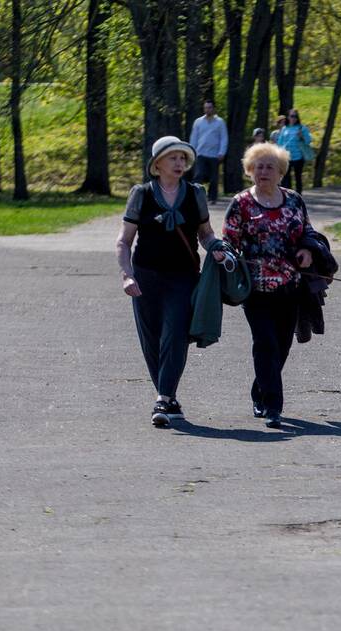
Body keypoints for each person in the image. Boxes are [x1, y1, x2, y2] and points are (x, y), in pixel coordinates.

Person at [116, 136, 226, 428]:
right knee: (151, 340)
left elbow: (206, 233)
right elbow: (124, 242)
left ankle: (163, 397)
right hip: (145, 277)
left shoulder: (195, 194)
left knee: (176, 334)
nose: (179, 163)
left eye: (182, 158)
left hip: (183, 276)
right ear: (157, 164)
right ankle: (168, 398)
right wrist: (127, 275)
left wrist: (217, 248)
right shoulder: (141, 194)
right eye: (173, 158)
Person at [222, 142, 318, 429]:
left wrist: (308, 251)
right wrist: (223, 255)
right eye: (258, 166)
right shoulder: (241, 203)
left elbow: (308, 233)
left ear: (280, 173)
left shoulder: (294, 200)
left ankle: (259, 391)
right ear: (250, 170)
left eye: (270, 167)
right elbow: (229, 241)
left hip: (291, 286)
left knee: (282, 347)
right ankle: (273, 406)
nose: (263, 171)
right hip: (256, 288)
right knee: (265, 343)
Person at [188, 100, 228, 202]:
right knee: (198, 175)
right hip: (200, 153)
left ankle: (212, 198)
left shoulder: (220, 122)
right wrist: (192, 151)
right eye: (206, 107)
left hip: (214, 154)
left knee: (214, 178)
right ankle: (195, 197)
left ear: (213, 108)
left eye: (209, 107)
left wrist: (222, 152)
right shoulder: (198, 122)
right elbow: (194, 137)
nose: (207, 110)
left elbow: (224, 138)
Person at [277, 109, 312, 194]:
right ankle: (288, 195)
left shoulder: (302, 128)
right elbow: (280, 143)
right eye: (292, 116)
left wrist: (302, 137)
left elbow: (308, 141)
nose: (293, 118)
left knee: (298, 177)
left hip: (298, 157)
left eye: (295, 116)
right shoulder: (284, 129)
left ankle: (299, 195)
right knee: (286, 177)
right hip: (287, 157)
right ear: (288, 117)